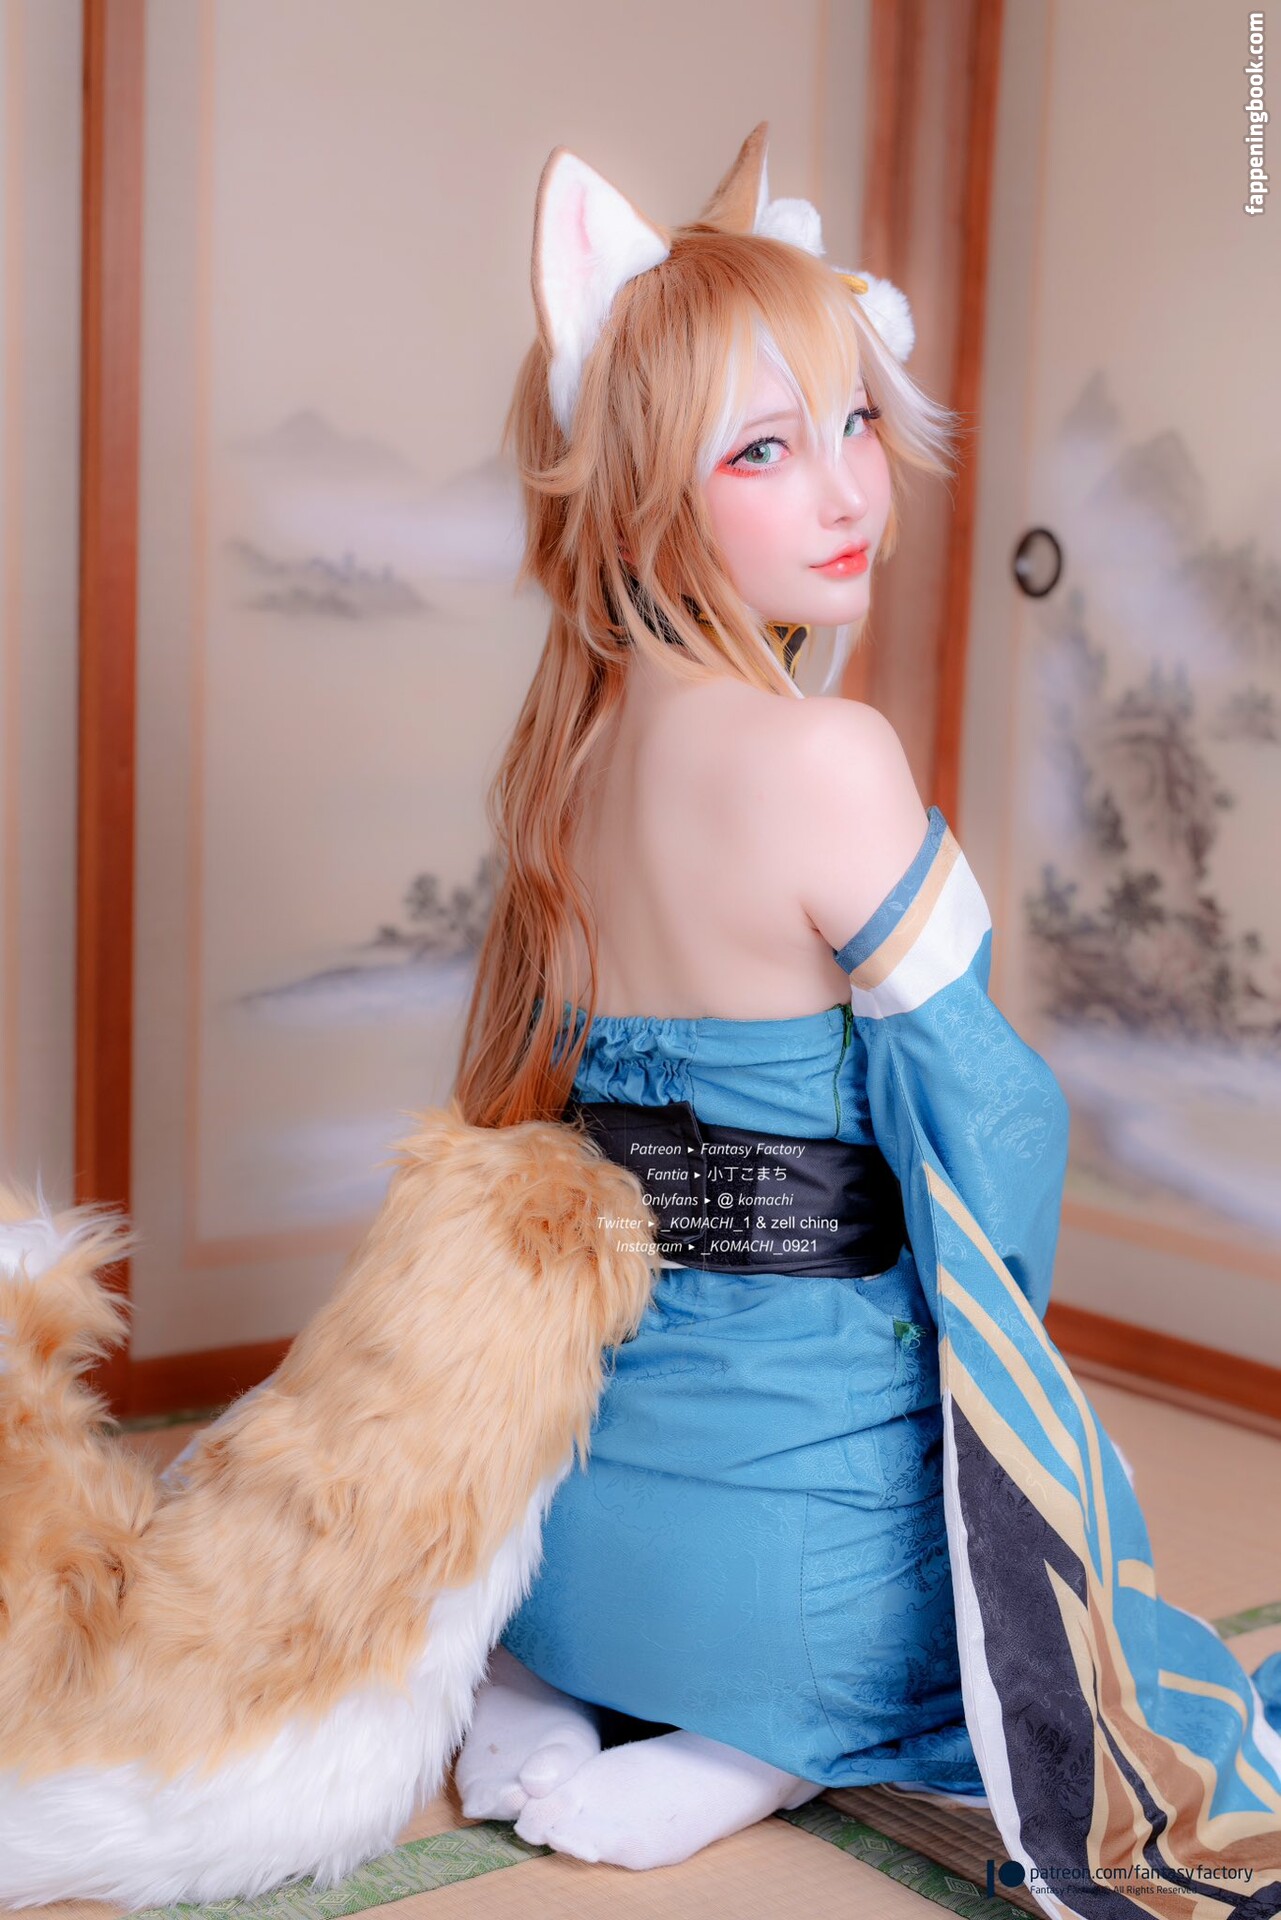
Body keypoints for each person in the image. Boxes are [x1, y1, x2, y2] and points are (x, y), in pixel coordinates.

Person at [449, 127, 1281, 1899]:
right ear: (641, 495)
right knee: (1081, 1586)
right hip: (789, 1571)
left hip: (570, 1527)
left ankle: (543, 1685)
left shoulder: (561, 764)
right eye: (762, 449)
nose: (848, 493)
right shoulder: (824, 752)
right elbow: (993, 1116)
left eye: (851, 422)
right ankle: (768, 1739)